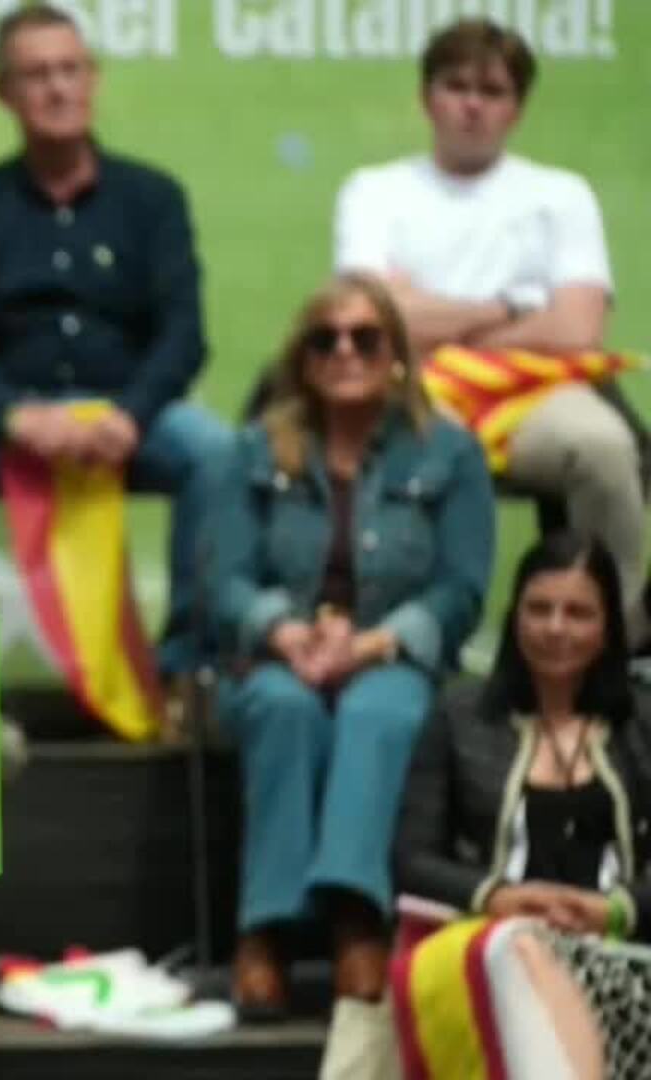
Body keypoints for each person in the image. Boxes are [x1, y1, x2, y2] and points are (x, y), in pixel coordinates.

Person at [0, 3, 229, 669]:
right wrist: (13, 414)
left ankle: (191, 668)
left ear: (93, 78)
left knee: (216, 451)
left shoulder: (153, 197)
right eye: (37, 74)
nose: (58, 88)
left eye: (71, 69)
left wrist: (131, 415)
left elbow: (184, 335)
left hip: (127, 416)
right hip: (8, 418)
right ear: (2, 91)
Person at [206, 274, 494, 1017]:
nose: (345, 352)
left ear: (396, 354)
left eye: (365, 338)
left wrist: (371, 644)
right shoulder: (252, 450)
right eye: (325, 339)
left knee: (380, 712)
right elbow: (224, 579)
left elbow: (461, 589)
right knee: (282, 708)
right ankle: (265, 930)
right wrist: (286, 630)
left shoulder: (450, 452)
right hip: (281, 657)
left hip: (391, 654)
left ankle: (356, 919)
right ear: (302, 360)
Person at [333, 17, 642, 643]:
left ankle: (616, 645)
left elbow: (578, 329)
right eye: (456, 86)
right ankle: (393, 640)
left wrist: (429, 318)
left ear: (516, 108)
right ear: (427, 98)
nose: (472, 105)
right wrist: (510, 308)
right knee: (391, 439)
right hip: (418, 390)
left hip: (536, 395)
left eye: (492, 91)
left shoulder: (562, 194)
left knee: (605, 446)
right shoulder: (375, 190)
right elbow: (371, 321)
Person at [397, 533, 651, 941]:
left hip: (614, 948)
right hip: (485, 939)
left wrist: (614, 910)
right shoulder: (458, 714)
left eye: (578, 613)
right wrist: (495, 897)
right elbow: (412, 860)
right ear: (514, 617)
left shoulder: (642, 722)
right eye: (538, 609)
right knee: (520, 949)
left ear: (608, 627)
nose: (555, 628)